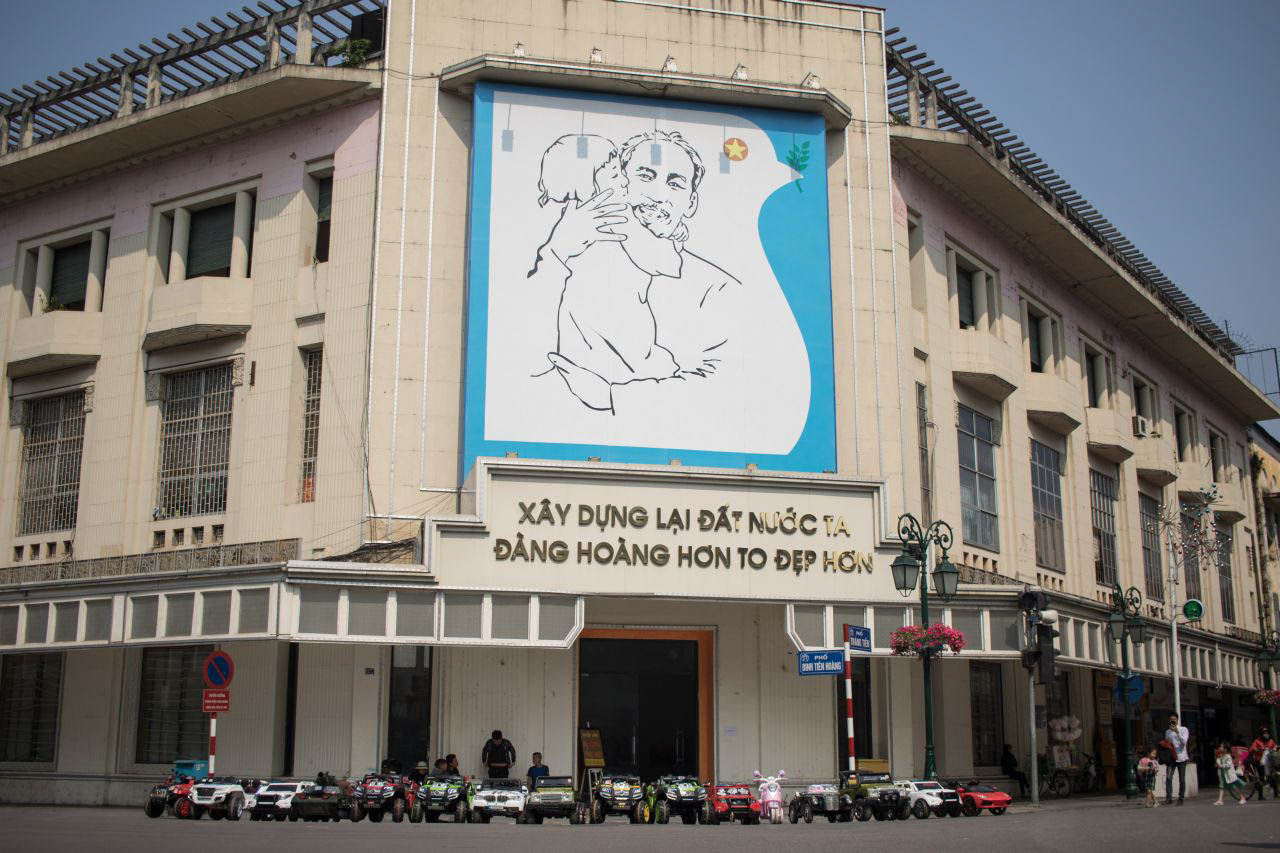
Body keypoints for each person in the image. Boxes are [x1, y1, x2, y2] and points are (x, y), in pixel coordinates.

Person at [1163, 713, 1190, 805]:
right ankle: (1168, 798)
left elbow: (1184, 742)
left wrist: (1177, 732)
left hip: (1182, 757)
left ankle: (1181, 798)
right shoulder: (1167, 732)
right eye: (1171, 719)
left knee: (1181, 779)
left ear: (1177, 720)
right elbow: (1167, 744)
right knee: (1168, 777)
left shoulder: (1183, 729)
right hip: (1171, 758)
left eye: (1174, 719)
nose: (1172, 721)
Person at [1248, 726, 1278, 799]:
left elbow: (1275, 748)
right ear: (1261, 734)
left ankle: (1276, 793)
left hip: (1269, 762)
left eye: (1267, 733)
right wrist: (1256, 749)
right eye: (1264, 733)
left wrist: (1276, 749)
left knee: (1272, 776)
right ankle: (1260, 795)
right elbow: (1251, 749)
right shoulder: (1257, 741)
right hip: (1259, 762)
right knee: (1261, 778)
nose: (1266, 734)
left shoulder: (1271, 741)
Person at [1214, 741, 1247, 805]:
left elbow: (1228, 765)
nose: (1220, 748)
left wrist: (1220, 766)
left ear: (1225, 749)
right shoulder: (1222, 755)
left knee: (1233, 787)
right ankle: (1220, 800)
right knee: (1221, 787)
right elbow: (1219, 762)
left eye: (1221, 747)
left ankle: (1242, 798)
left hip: (1229, 775)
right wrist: (1217, 761)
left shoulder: (1228, 756)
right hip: (1223, 775)